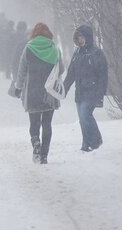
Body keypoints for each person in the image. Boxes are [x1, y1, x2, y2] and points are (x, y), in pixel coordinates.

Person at [14, 23, 63, 164]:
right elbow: (61, 69)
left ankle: (35, 142)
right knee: (47, 123)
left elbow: (22, 69)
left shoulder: (29, 48)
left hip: (33, 92)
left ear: (34, 34)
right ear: (49, 34)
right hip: (50, 92)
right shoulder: (55, 49)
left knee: (34, 123)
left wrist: (18, 87)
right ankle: (44, 155)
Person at [63, 25, 108, 152]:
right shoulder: (77, 53)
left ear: (87, 37)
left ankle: (95, 140)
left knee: (85, 114)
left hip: (92, 91)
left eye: (82, 37)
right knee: (82, 119)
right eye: (78, 38)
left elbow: (103, 74)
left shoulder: (96, 53)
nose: (80, 40)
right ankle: (86, 143)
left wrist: (101, 93)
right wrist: (64, 88)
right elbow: (71, 73)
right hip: (80, 91)